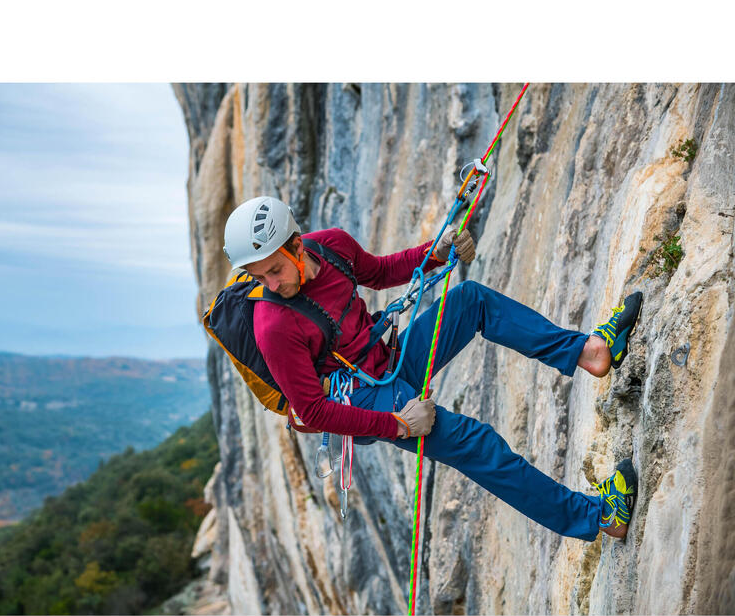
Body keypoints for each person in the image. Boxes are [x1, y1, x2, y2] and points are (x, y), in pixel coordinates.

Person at [222, 196, 641, 541]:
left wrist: (434, 253)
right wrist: (399, 426)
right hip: (364, 400)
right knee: (476, 444)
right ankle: (601, 517)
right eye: (259, 276)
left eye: (274, 270)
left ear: (296, 245)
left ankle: (590, 351)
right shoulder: (273, 326)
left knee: (473, 300)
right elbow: (312, 411)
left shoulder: (330, 246)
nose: (272, 284)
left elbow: (379, 272)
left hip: (385, 358)